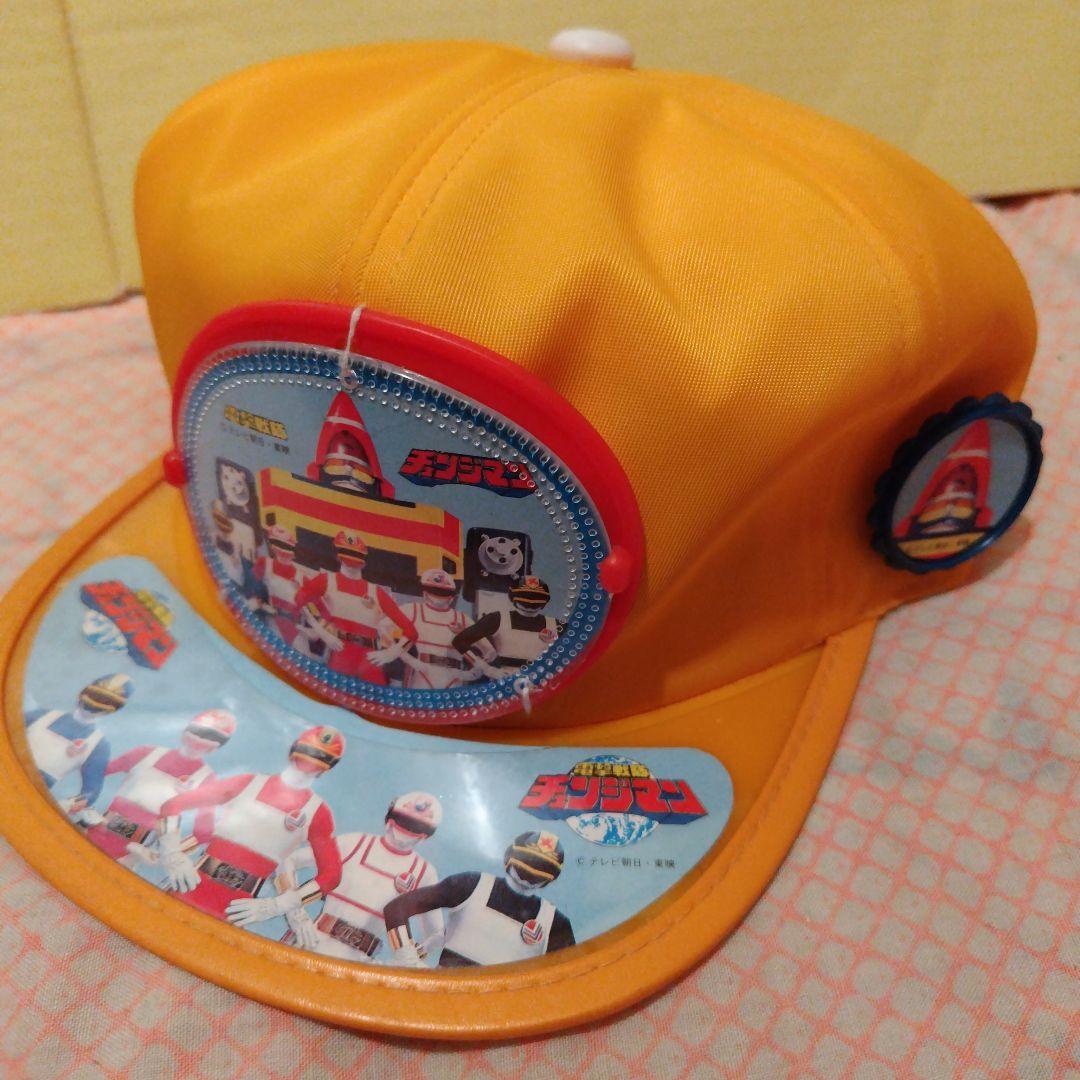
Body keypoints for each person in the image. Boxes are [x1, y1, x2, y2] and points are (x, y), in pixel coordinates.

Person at [384, 830, 575, 967]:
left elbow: (570, 981)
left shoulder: (556, 924)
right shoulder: (471, 885)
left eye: (539, 871)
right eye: (526, 866)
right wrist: (406, 958)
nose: (528, 878)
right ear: (509, 858)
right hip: (442, 1000)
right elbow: (397, 908)